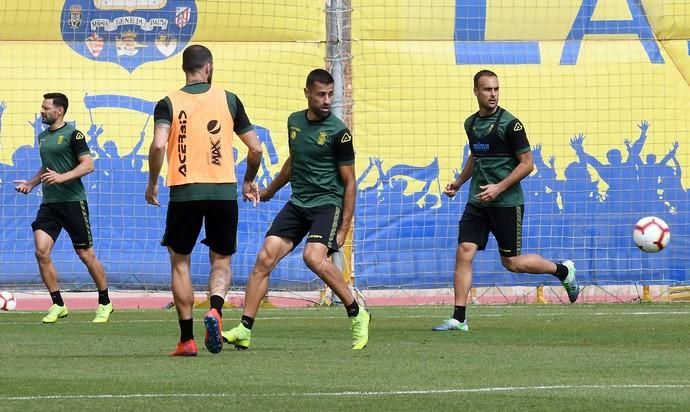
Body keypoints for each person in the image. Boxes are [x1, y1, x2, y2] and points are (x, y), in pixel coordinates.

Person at [221, 69, 371, 350]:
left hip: (327, 204)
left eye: (330, 94)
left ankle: (357, 312)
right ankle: (244, 328)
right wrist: (268, 192)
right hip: (298, 203)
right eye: (321, 94)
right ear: (307, 93)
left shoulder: (339, 133)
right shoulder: (294, 122)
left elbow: (350, 183)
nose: (327, 100)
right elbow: (294, 161)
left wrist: (343, 228)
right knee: (264, 258)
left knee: (313, 257)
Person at [433, 70, 579, 332]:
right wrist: (458, 182)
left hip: (506, 203)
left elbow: (528, 165)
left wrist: (499, 188)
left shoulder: (511, 125)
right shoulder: (471, 124)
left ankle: (562, 270)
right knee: (464, 251)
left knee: (512, 262)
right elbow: (475, 157)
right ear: (476, 92)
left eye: (496, 89)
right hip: (478, 201)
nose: (493, 94)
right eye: (487, 89)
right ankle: (459, 318)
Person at [145, 45, 262, 356]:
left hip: (185, 191)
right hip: (223, 191)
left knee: (179, 261)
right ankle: (216, 311)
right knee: (221, 259)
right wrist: (249, 179)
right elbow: (256, 149)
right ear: (208, 68)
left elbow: (158, 146)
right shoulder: (229, 99)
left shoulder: (168, 103)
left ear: (185, 69)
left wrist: (153, 182)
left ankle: (187, 339)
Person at [15, 93, 113, 323]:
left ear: (59, 111)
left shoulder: (73, 134)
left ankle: (105, 302)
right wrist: (31, 183)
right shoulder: (41, 137)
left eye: (45, 107)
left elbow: (88, 165)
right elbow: (47, 167)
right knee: (41, 252)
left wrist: (62, 178)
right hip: (49, 204)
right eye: (41, 107)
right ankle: (58, 304)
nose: (42, 111)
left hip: (72, 202)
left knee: (85, 254)